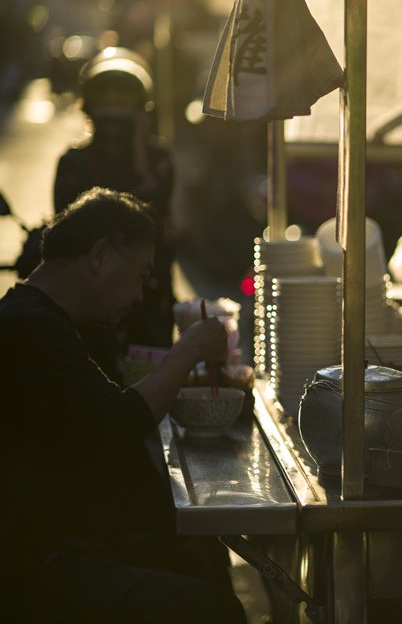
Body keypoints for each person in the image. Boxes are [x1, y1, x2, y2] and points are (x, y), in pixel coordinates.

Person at [0, 188, 245, 623]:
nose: (138, 294)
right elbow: (118, 422)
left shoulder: (46, 319)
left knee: (201, 556)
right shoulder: (29, 328)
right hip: (37, 564)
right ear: (100, 255)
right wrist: (186, 350)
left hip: (64, 540)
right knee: (213, 607)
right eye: (140, 274)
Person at [51, 46, 177, 382]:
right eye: (108, 103)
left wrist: (139, 151)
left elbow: (158, 217)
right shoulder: (73, 163)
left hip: (150, 296)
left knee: (153, 382)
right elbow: (67, 233)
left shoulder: (158, 157)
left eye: (124, 104)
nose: (115, 112)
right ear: (90, 107)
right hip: (89, 297)